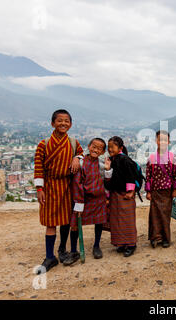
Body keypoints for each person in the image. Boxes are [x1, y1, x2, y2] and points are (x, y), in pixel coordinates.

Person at [34, 109, 84, 274]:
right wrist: (39, 188)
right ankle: (50, 257)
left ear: (70, 124)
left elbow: (83, 155)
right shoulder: (45, 144)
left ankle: (64, 249)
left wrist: (77, 158)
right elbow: (39, 166)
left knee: (67, 220)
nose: (63, 123)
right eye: (60, 120)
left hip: (68, 186)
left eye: (66, 121)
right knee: (50, 222)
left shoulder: (73, 143)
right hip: (50, 186)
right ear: (52, 123)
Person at [63, 138, 108, 266]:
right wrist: (79, 203)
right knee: (75, 223)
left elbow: (105, 180)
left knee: (99, 222)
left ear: (103, 151)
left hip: (99, 198)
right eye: (94, 146)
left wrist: (108, 170)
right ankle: (73, 251)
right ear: (88, 146)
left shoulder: (100, 164)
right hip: (83, 199)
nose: (95, 150)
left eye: (99, 148)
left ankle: (96, 246)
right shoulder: (81, 163)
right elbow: (77, 183)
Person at [145, 130, 176, 248]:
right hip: (155, 191)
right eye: (160, 139)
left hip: (167, 192)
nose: (163, 142)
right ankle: (155, 238)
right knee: (154, 215)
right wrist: (148, 191)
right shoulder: (151, 158)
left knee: (165, 215)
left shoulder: (172, 157)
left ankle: (165, 238)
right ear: (156, 141)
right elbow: (148, 176)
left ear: (169, 141)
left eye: (165, 139)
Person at [104, 136, 138, 257]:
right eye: (109, 147)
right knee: (117, 220)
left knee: (127, 220)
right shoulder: (112, 160)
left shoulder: (125, 160)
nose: (110, 149)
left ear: (120, 148)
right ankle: (121, 243)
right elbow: (108, 180)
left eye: (112, 147)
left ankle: (131, 244)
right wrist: (107, 169)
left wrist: (130, 191)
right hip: (114, 194)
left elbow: (130, 175)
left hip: (125, 194)